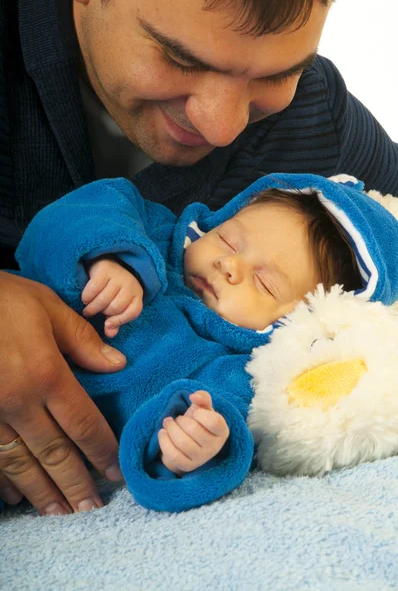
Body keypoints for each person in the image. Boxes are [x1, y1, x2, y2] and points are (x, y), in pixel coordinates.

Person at [1, 0, 398, 515]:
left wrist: (204, 445)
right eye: (180, 58)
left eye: (274, 77)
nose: (222, 126)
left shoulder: (317, 121)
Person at [9, 171, 397, 512]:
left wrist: (194, 449)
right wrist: (112, 257)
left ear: (299, 319)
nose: (229, 265)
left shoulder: (237, 370)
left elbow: (225, 427)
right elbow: (77, 213)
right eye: (228, 240)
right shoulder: (152, 235)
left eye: (264, 282)